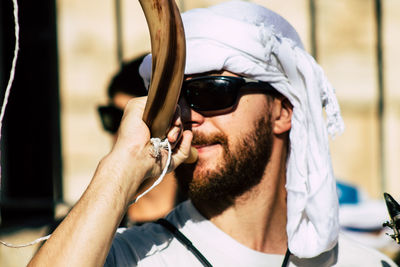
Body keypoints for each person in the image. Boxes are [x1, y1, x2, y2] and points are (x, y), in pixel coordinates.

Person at [28, 1, 397, 266]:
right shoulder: (131, 255)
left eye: (213, 91)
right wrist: (119, 169)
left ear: (283, 110)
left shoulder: (363, 263)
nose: (190, 116)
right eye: (176, 99)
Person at [98, 55, 183, 225]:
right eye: (113, 117)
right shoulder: (83, 226)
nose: (123, 134)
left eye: (136, 121)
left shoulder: (203, 221)